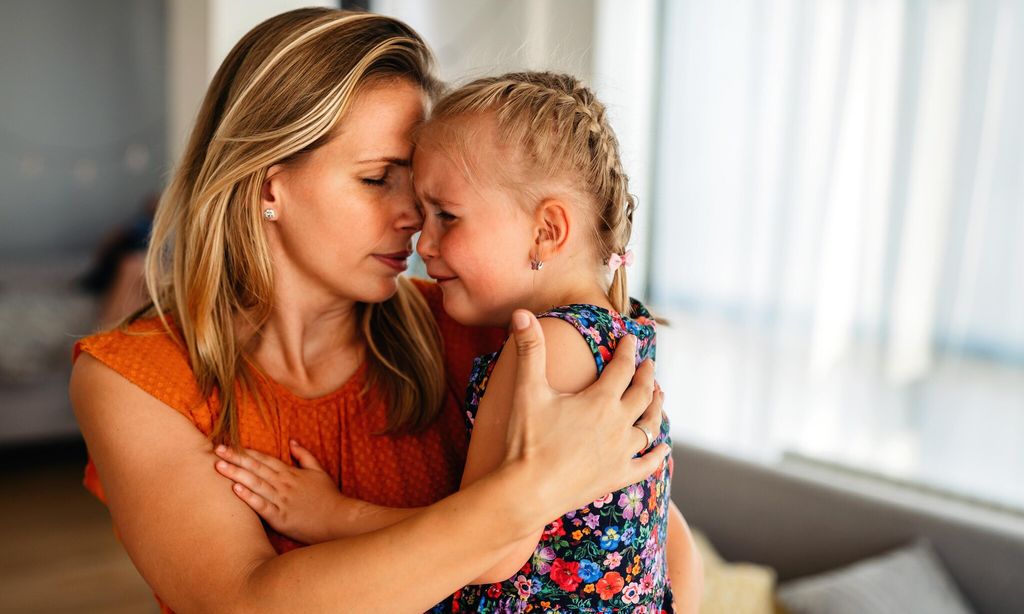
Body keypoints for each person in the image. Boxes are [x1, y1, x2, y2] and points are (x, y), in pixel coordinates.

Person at [69, 8, 668, 613]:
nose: (413, 217)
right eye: (380, 178)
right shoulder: (133, 381)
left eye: (426, 191)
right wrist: (533, 490)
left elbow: (653, 541)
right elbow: (240, 604)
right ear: (268, 185)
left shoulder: (484, 323)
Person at [213, 71, 704, 613]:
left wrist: (329, 514)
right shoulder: (622, 326)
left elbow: (492, 547)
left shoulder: (540, 348)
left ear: (547, 231)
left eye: (446, 216)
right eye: (381, 181)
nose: (423, 241)